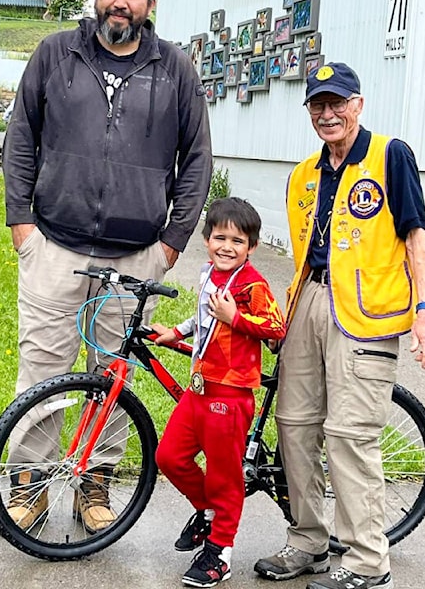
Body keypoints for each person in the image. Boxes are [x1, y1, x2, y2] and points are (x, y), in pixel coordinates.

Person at [0, 0, 212, 534]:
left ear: (150, 4)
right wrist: (22, 223)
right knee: (43, 372)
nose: (121, 1)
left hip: (135, 254)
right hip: (55, 249)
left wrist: (170, 245)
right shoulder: (55, 55)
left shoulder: (175, 70)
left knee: (114, 374)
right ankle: (32, 486)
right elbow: (21, 137)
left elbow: (196, 161)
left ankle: (96, 484)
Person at [254, 62, 425, 589]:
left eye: (338, 103)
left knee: (350, 436)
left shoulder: (390, 155)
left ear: (358, 104)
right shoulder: (303, 174)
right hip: (309, 302)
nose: (328, 113)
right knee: (294, 426)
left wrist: (424, 310)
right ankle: (308, 541)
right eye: (318, 105)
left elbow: (415, 238)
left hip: (365, 313)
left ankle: (365, 561)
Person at [150, 197, 286, 588]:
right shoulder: (209, 273)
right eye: (219, 237)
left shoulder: (252, 284)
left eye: (237, 241)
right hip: (200, 388)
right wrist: (175, 332)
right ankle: (208, 513)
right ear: (207, 239)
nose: (227, 246)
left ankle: (220, 553)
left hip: (230, 393)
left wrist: (236, 318)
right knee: (170, 457)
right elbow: (204, 317)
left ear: (252, 247)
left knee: (225, 477)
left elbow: (275, 327)